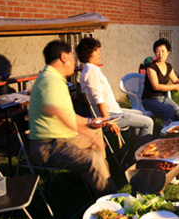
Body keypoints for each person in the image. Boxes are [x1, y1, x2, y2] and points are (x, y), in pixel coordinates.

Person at [28, 40, 120, 198]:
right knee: (92, 158)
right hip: (47, 147)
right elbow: (65, 117)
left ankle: (101, 183)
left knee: (96, 135)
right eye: (72, 57)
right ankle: (113, 201)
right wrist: (89, 128)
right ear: (64, 57)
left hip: (61, 137)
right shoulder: (50, 82)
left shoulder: (53, 78)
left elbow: (66, 115)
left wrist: (91, 126)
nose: (74, 61)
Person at [75, 37, 154, 153]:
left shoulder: (90, 70)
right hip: (111, 115)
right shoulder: (91, 72)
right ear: (88, 53)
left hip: (114, 111)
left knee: (141, 114)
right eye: (96, 50)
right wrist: (108, 121)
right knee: (148, 122)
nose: (99, 53)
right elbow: (98, 99)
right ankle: (141, 156)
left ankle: (133, 151)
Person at [141, 38, 179, 126]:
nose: (160, 54)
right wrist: (175, 87)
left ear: (168, 52)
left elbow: (175, 80)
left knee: (178, 111)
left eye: (163, 51)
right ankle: (165, 133)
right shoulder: (151, 67)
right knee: (168, 111)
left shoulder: (168, 66)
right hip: (149, 99)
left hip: (163, 98)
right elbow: (156, 86)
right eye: (157, 51)